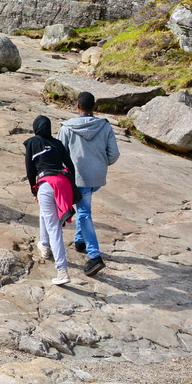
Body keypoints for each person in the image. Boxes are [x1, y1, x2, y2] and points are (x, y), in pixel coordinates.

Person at [57, 91, 119, 277]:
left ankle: (95, 256)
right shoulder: (105, 126)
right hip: (97, 176)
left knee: (84, 212)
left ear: (78, 106)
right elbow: (114, 154)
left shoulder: (66, 128)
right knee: (84, 205)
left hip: (78, 176)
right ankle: (80, 241)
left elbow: (60, 155)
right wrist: (100, 164)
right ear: (95, 107)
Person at [24, 115, 76, 286]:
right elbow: (70, 166)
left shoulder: (32, 142)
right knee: (46, 214)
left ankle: (62, 270)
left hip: (46, 183)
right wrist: (71, 186)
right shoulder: (58, 144)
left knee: (53, 226)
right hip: (63, 183)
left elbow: (30, 170)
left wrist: (34, 188)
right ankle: (44, 246)